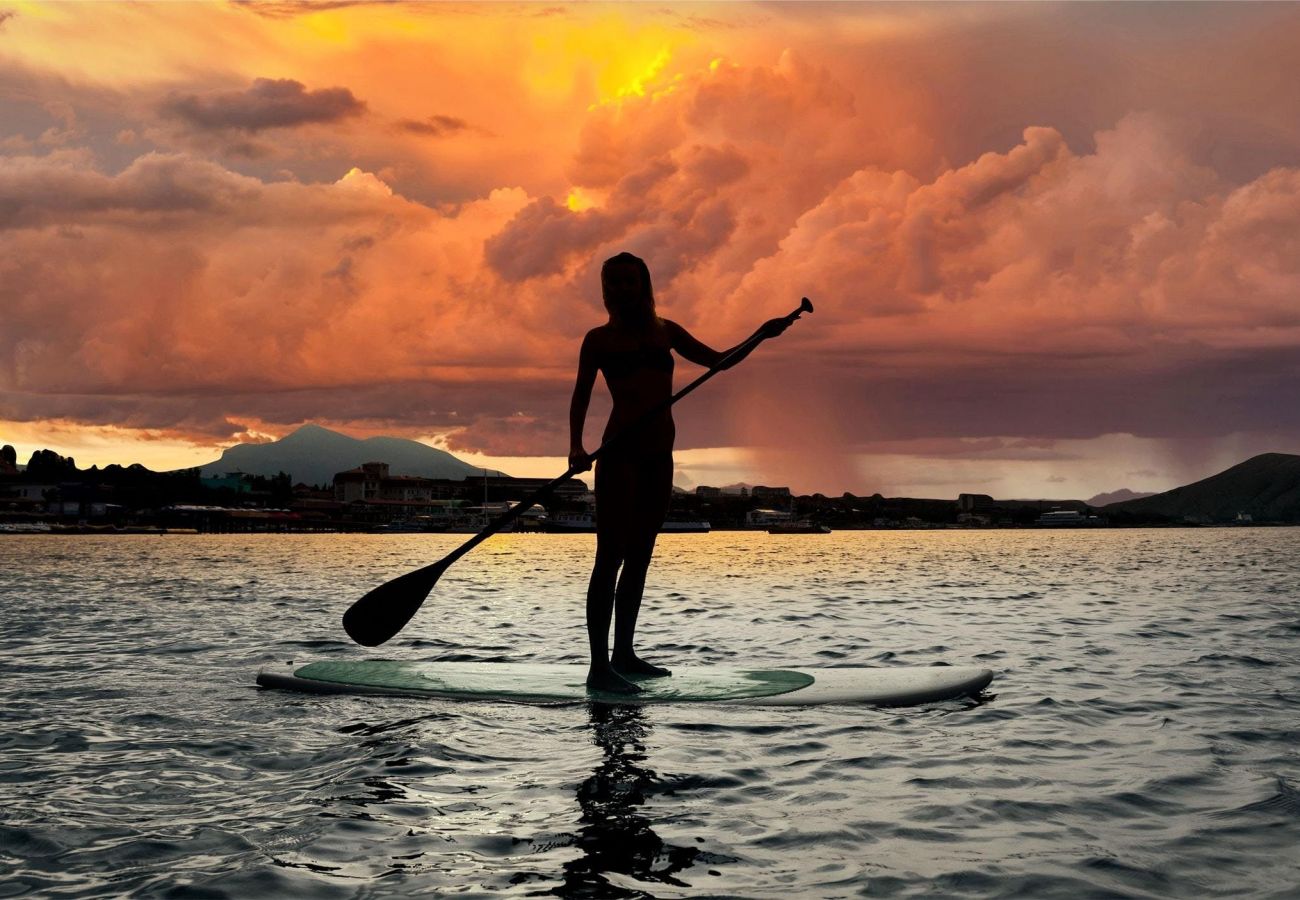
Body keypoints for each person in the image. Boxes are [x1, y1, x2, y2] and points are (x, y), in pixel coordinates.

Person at [568, 252, 792, 693]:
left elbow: (720, 361)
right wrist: (575, 447)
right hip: (620, 456)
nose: (620, 289)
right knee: (609, 557)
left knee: (641, 557)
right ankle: (598, 666)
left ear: (644, 285)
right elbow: (580, 397)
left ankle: (624, 655)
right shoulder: (597, 340)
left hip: (659, 457)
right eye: (612, 282)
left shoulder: (666, 331)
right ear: (604, 289)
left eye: (629, 281)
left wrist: (761, 335)